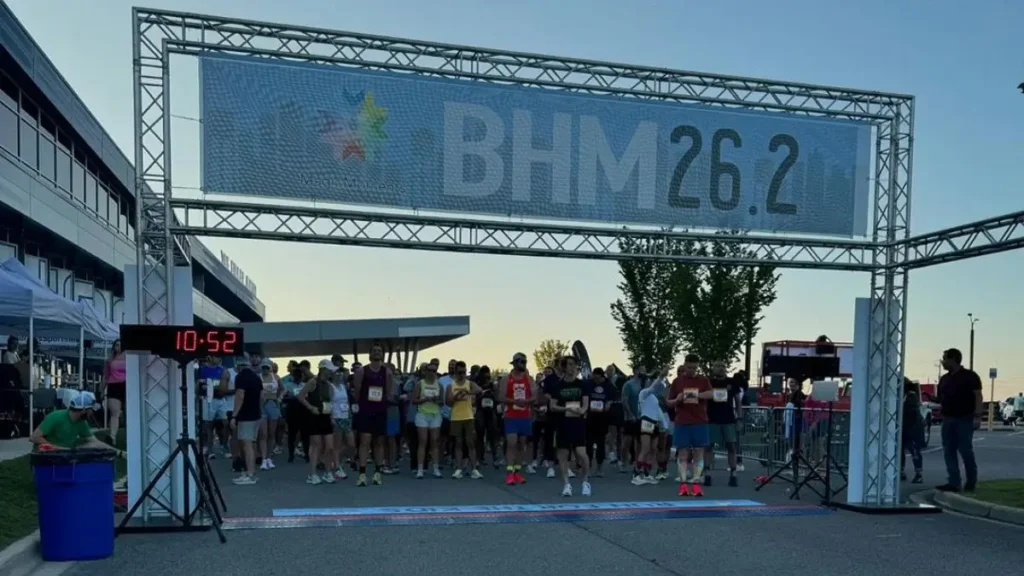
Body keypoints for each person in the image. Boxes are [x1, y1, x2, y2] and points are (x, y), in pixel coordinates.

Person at [936, 348, 982, 493]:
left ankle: (971, 482)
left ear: (953, 359)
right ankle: (954, 482)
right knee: (948, 451)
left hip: (965, 419)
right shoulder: (944, 379)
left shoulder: (970, 376)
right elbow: (940, 398)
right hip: (948, 419)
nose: (942, 362)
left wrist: (977, 416)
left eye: (944, 359)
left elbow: (978, 396)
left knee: (965, 450)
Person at [667, 355, 713, 497]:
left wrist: (698, 395)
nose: (692, 370)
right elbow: (669, 402)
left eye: (694, 367)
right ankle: (683, 484)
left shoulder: (703, 380)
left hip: (700, 421)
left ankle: (696, 483)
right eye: (689, 367)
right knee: (683, 454)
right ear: (684, 365)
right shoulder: (677, 381)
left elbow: (712, 394)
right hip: (682, 421)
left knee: (699, 453)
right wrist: (678, 399)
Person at [548, 355, 591, 497]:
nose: (573, 368)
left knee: (581, 454)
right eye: (570, 365)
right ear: (564, 367)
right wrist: (566, 409)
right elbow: (553, 406)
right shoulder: (558, 386)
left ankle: (585, 482)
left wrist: (582, 410)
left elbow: (585, 404)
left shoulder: (582, 384)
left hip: (578, 423)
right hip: (562, 423)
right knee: (563, 455)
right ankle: (567, 484)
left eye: (574, 365)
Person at [353, 345, 392, 486]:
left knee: (379, 442)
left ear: (382, 354)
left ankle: (377, 472)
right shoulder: (362, 371)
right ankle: (362, 474)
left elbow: (388, 391)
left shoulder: (386, 371)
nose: (377, 352)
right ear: (369, 354)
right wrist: (359, 407)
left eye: (379, 350)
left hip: (380, 410)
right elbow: (357, 391)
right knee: (365, 441)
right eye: (374, 350)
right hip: (365, 410)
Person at [30, 391, 119, 452]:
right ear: (84, 411)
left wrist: (118, 452)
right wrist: (55, 448)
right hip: (45, 457)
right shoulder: (55, 417)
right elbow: (34, 437)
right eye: (91, 410)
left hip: (65, 455)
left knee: (90, 446)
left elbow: (95, 442)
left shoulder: (82, 423)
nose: (92, 413)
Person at [297, 360, 338, 485]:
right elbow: (300, 396)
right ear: (323, 370)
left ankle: (327, 472)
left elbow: (330, 402)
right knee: (316, 446)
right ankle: (312, 474)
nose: (331, 372)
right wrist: (310, 407)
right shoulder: (313, 382)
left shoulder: (329, 385)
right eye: (329, 370)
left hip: (326, 416)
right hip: (314, 417)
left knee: (330, 446)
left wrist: (332, 416)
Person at [501, 352, 537, 485]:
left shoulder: (529, 379)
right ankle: (509, 472)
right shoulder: (507, 379)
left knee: (522, 443)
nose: (523, 364)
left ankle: (517, 472)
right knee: (512, 442)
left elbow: (535, 396)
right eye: (521, 362)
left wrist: (526, 401)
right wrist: (514, 401)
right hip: (511, 415)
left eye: (525, 362)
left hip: (525, 415)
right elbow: (501, 397)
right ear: (515, 363)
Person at [446, 361, 484, 479]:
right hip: (456, 417)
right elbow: (448, 402)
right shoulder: (450, 386)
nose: (462, 374)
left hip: (468, 416)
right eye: (459, 372)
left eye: (463, 372)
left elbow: (479, 390)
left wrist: (468, 392)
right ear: (456, 372)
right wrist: (457, 396)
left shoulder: (469, 383)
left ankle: (474, 469)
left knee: (470, 443)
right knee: (458, 443)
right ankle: (458, 468)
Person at [706, 360, 741, 487]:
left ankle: (733, 473)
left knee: (731, 446)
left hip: (728, 419)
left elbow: (738, 402)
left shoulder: (732, 382)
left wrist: (739, 418)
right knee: (708, 446)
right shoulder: (708, 382)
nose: (720, 368)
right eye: (717, 365)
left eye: (722, 366)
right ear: (713, 368)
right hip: (712, 419)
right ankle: (707, 473)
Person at [633, 368, 668, 485]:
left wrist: (664, 425)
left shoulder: (653, 396)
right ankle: (637, 474)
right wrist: (661, 376)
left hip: (655, 423)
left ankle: (647, 473)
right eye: (648, 380)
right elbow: (654, 387)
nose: (650, 381)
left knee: (653, 449)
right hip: (646, 421)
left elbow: (660, 388)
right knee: (645, 449)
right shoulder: (643, 393)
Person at [412, 362, 444, 478]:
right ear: (425, 372)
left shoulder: (439, 385)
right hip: (422, 414)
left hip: (435, 414)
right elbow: (413, 400)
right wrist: (424, 399)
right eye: (429, 370)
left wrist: (435, 400)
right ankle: (420, 469)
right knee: (423, 441)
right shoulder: (420, 384)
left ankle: (436, 468)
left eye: (434, 371)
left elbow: (442, 402)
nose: (431, 373)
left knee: (435, 441)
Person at [585, 367, 616, 477]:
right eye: (594, 378)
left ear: (602, 376)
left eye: (598, 378)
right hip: (589, 418)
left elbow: (615, 395)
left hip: (602, 419)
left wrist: (609, 402)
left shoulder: (608, 385)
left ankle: (599, 468)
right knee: (588, 444)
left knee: (600, 444)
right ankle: (588, 468)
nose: (596, 380)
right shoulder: (588, 383)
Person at [620, 366, 646, 474]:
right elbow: (624, 401)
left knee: (639, 442)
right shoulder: (629, 384)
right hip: (630, 417)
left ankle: (637, 463)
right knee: (627, 442)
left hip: (642, 417)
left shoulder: (645, 385)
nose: (644, 372)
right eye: (641, 370)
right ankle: (623, 462)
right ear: (635, 371)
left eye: (644, 370)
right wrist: (630, 414)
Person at [330, 364, 354, 480]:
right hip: (336, 416)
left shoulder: (343, 386)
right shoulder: (330, 387)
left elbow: (347, 401)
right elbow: (329, 402)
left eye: (340, 373)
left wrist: (350, 413)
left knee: (351, 443)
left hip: (346, 416)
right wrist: (331, 417)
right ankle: (337, 467)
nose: (340, 375)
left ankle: (335, 461)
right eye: (337, 373)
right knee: (337, 444)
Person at [258, 359, 283, 470]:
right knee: (263, 434)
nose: (265, 369)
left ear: (270, 368)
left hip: (273, 404)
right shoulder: (258, 377)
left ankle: (269, 457)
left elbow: (283, 388)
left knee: (272, 433)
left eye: (267, 367)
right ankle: (263, 458)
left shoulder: (276, 377)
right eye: (263, 367)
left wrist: (279, 398)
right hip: (262, 405)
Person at [475, 365, 501, 468]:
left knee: (492, 435)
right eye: (484, 373)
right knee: (480, 435)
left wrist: (493, 391)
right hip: (481, 411)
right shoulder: (477, 384)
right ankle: (480, 457)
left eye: (488, 373)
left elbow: (497, 397)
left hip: (491, 411)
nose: (486, 376)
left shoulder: (492, 384)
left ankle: (494, 457)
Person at [901, 378, 924, 484]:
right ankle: (901, 471)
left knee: (914, 450)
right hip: (903, 427)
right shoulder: (899, 396)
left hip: (913, 427)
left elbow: (912, 411)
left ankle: (919, 474)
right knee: (899, 451)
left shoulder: (912, 396)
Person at [103, 340, 126, 442]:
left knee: (129, 413)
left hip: (127, 385)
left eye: (121, 345)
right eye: (116, 345)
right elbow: (105, 377)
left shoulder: (130, 357)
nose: (119, 347)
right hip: (113, 385)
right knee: (114, 413)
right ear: (113, 347)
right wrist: (101, 390)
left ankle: (131, 437)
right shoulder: (109, 360)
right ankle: (112, 436)